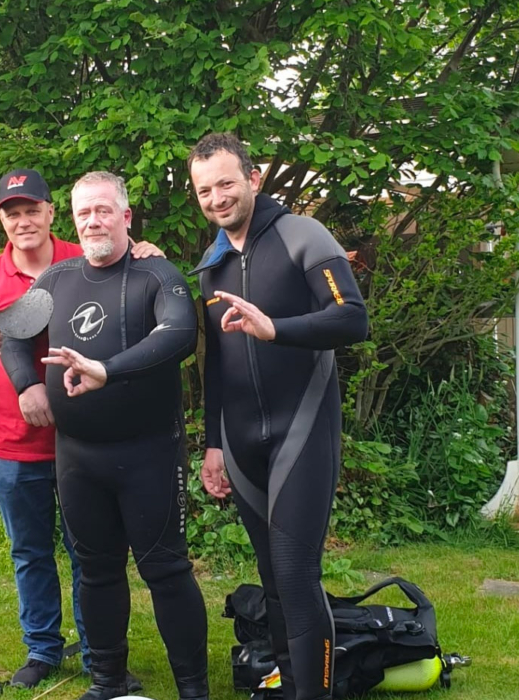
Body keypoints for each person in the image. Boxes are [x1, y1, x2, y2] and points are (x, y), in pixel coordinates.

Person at [0, 168, 161, 689]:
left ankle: (97, 652)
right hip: (11, 443)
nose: (23, 221)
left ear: (49, 213)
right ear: (2, 220)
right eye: (12, 213)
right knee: (29, 552)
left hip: (81, 439)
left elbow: (127, 268)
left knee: (93, 553)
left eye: (31, 210)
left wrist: (145, 251)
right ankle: (42, 649)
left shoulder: (81, 259)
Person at [0, 171, 209, 700]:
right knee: (96, 572)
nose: (93, 221)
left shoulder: (156, 274)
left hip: (148, 454)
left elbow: (180, 334)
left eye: (103, 210)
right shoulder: (56, 280)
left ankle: (194, 689)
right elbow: (13, 339)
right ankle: (107, 681)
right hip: (78, 457)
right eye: (83, 213)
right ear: (72, 220)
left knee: (166, 570)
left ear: (125, 216)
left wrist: (107, 371)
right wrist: (28, 386)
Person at [188, 133, 369, 700]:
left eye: (226, 183)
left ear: (254, 178)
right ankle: (294, 687)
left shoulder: (302, 235)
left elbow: (353, 319)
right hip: (241, 440)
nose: (217, 198)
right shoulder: (212, 265)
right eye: (204, 191)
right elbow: (216, 362)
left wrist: (276, 330)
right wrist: (213, 443)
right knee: (272, 581)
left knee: (295, 575)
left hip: (302, 429)